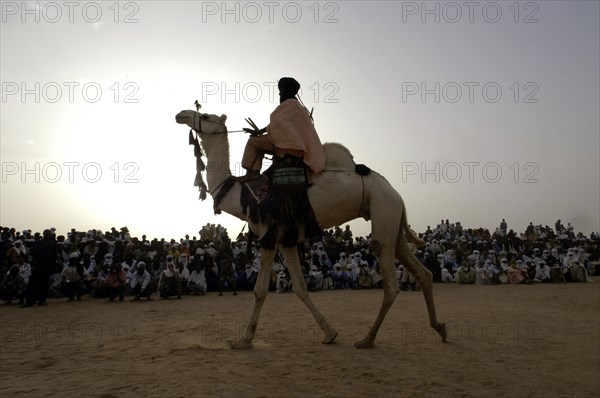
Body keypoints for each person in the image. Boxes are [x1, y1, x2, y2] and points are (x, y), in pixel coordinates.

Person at [240, 77, 326, 180]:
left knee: (253, 141)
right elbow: (280, 126)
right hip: (299, 148)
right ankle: (255, 172)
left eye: (280, 90)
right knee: (260, 142)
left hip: (287, 145)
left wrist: (259, 132)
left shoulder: (287, 105)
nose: (279, 94)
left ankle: (251, 173)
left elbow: (276, 125)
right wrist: (260, 131)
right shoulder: (299, 108)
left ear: (284, 90)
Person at [22, 229, 58, 307]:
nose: (47, 235)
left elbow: (55, 255)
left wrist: (54, 265)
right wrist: (42, 254)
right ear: (43, 234)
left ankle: (42, 300)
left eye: (48, 234)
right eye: (46, 234)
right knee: (33, 285)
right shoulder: (38, 242)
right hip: (38, 266)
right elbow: (32, 252)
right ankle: (30, 301)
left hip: (47, 267)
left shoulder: (53, 244)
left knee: (44, 285)